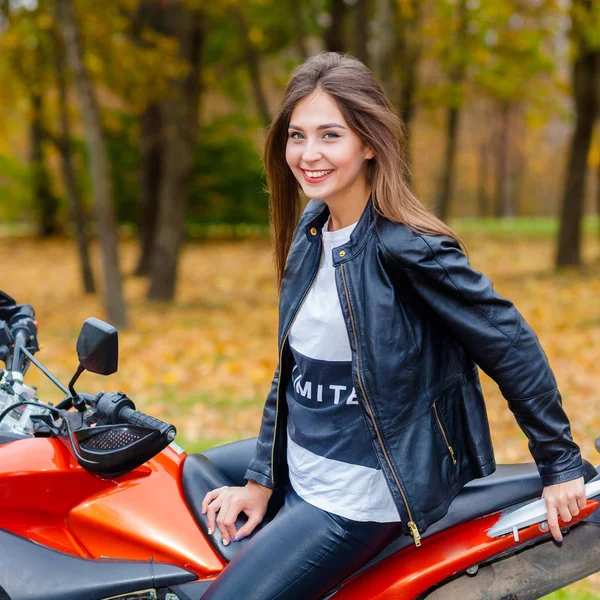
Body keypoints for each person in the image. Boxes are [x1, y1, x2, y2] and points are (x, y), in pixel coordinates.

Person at [200, 52, 586, 599]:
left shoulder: (408, 248)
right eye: (297, 136)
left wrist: (560, 464)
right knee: (181, 478)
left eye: (330, 135)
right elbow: (292, 372)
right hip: (306, 464)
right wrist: (262, 481)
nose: (308, 155)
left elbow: (510, 344)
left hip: (357, 497)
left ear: (369, 143)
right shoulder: (312, 231)